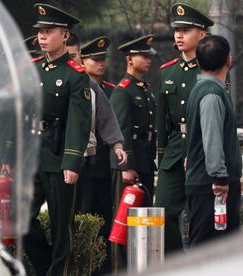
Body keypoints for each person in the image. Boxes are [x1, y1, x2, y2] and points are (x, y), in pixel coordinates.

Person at [23, 3, 92, 275]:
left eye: (49, 31)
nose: (42, 36)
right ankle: (45, 268)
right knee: (22, 220)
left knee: (61, 224)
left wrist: (72, 163)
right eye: (40, 31)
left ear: (64, 35)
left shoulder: (75, 75)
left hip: (59, 152)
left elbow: (79, 121)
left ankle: (57, 271)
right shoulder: (32, 68)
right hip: (33, 154)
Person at [155, 3, 213, 254]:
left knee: (202, 218)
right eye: (177, 29)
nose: (178, 35)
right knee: (164, 212)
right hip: (174, 154)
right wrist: (161, 154)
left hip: (201, 152)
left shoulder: (212, 69)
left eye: (186, 30)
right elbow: (161, 119)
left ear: (202, 34)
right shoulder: (167, 72)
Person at [185, 35, 241, 247]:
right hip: (213, 188)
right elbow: (212, 138)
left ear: (198, 63)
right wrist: (220, 178)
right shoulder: (211, 94)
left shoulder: (203, 90)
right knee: (207, 251)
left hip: (207, 184)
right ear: (228, 59)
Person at [78, 36, 127, 275]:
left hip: (102, 165)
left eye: (102, 60)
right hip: (82, 162)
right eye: (94, 59)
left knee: (104, 218)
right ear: (82, 60)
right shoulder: (77, 85)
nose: (100, 64)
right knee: (83, 217)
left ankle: (102, 268)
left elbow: (109, 122)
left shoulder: (106, 90)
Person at [109, 34, 157, 272]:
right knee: (124, 221)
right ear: (129, 59)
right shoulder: (123, 91)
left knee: (142, 220)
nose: (148, 60)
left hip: (145, 160)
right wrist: (125, 166)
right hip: (129, 165)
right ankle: (120, 269)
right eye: (143, 56)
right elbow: (121, 131)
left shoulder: (144, 89)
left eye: (149, 56)